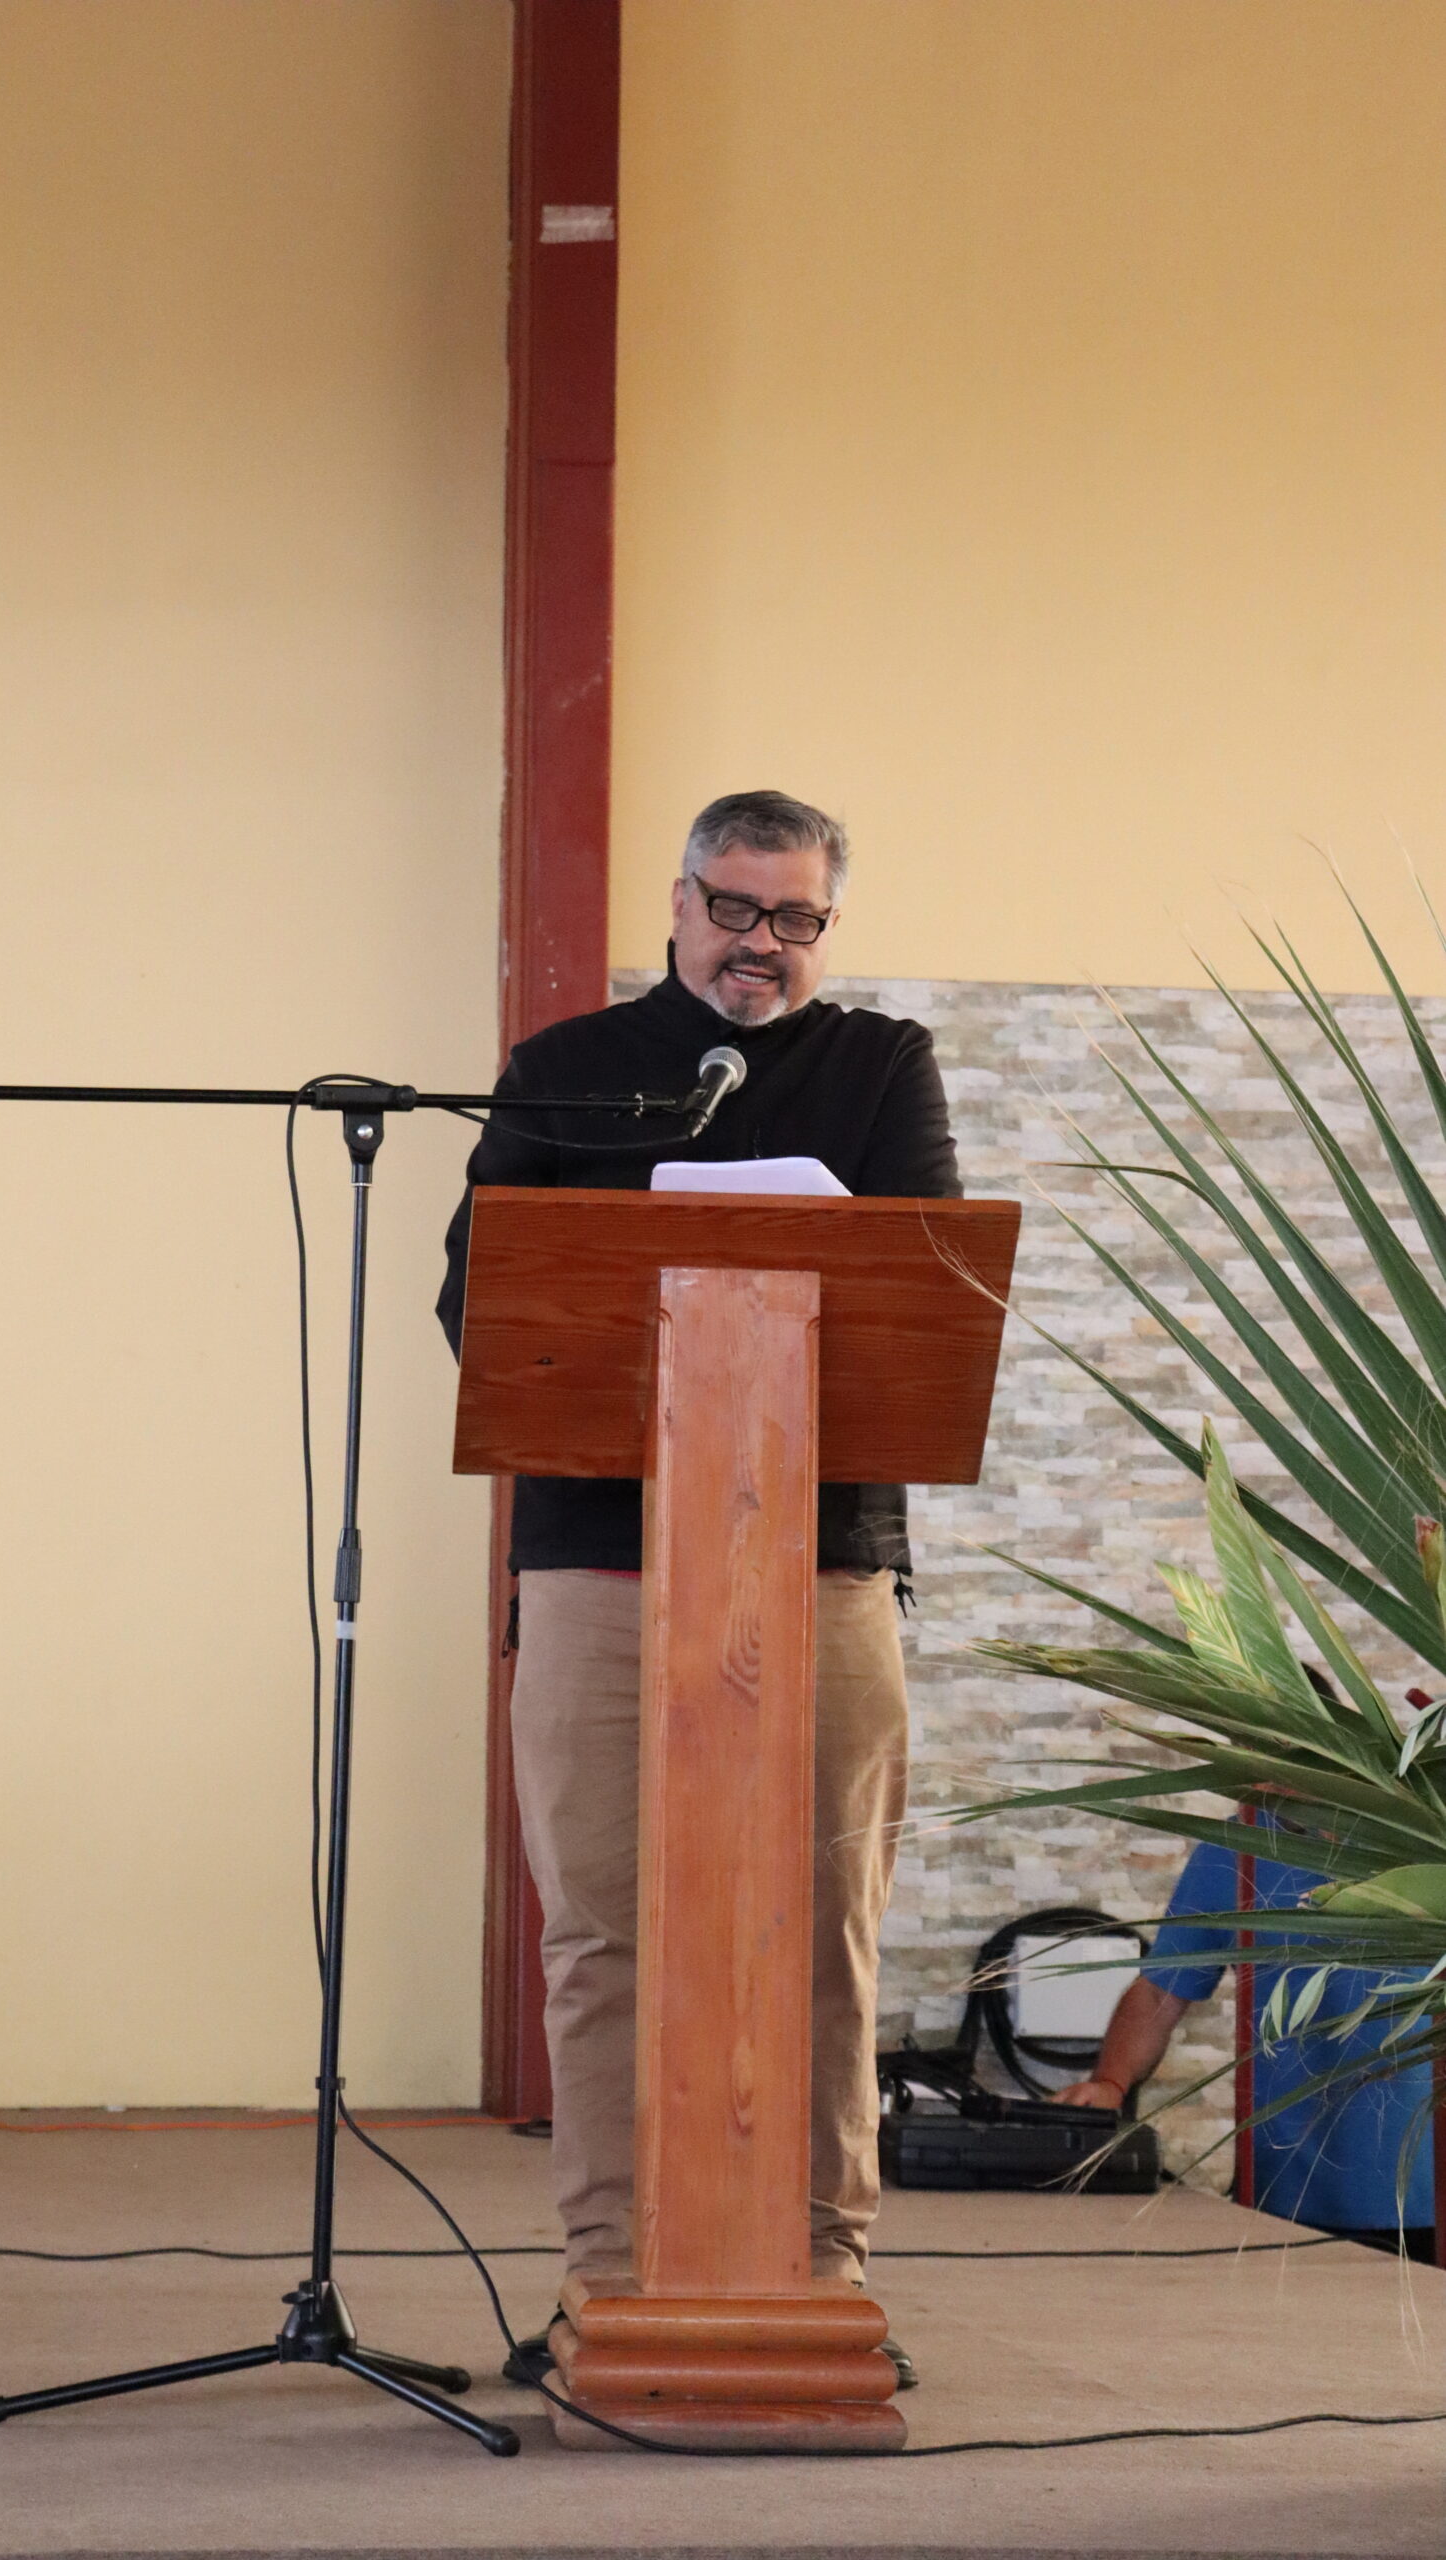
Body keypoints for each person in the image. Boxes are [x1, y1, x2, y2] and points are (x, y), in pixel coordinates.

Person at [437, 789, 961, 2378]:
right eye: (734, 910)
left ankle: (823, 2273)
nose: (760, 946)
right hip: (600, 1555)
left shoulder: (879, 1067)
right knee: (601, 1929)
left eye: (794, 919)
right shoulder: (566, 1068)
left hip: (821, 1558)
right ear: (677, 904)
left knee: (822, 1930)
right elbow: (479, 1302)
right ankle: (605, 2276)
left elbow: (929, 1287)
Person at [1059, 1835, 1436, 2253]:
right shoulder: (1233, 1849)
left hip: (1429, 2196)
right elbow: (1160, 1991)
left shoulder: (1424, 1832)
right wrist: (1110, 2083)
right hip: (1279, 2197)